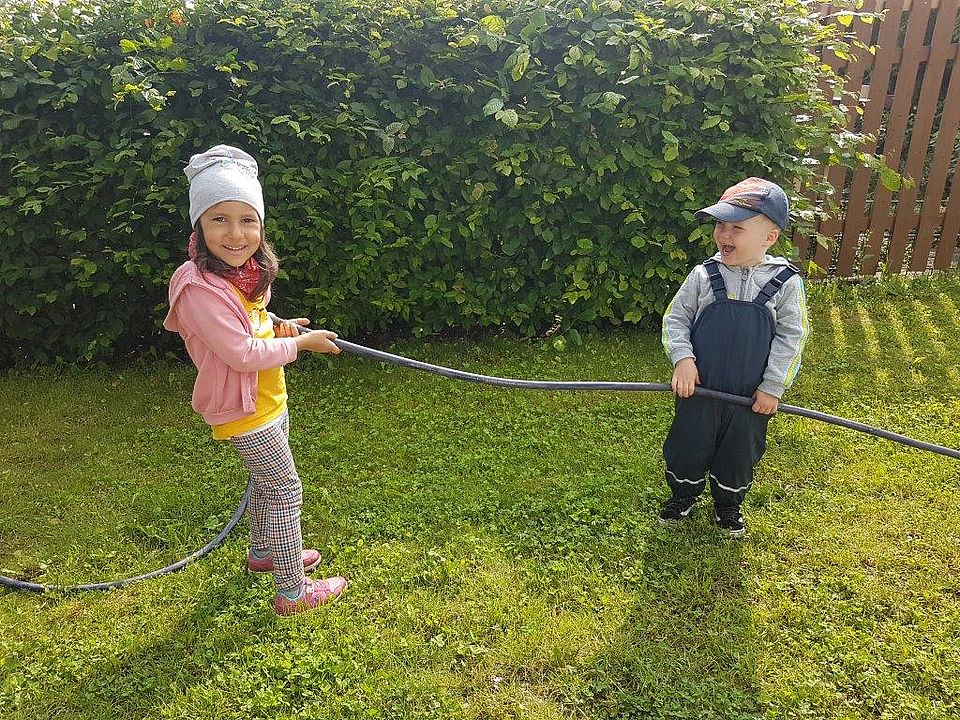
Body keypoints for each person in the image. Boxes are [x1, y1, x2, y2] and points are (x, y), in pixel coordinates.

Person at [163, 144, 348, 614]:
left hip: (268, 397)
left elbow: (250, 325)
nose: (235, 232)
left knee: (267, 485)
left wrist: (282, 326)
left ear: (260, 225)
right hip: (244, 409)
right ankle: (293, 591)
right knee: (285, 488)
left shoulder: (242, 276)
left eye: (247, 219)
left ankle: (264, 553)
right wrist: (303, 346)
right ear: (199, 227)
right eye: (219, 219)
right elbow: (241, 353)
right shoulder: (198, 288)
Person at [658, 177, 811, 536]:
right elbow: (675, 318)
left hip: (749, 397)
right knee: (688, 445)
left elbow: (793, 337)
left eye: (736, 228)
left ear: (769, 237)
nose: (724, 235)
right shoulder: (703, 275)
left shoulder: (785, 283)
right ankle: (683, 494)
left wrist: (773, 386)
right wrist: (682, 358)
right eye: (720, 225)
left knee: (740, 453)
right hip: (700, 389)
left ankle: (728, 504)